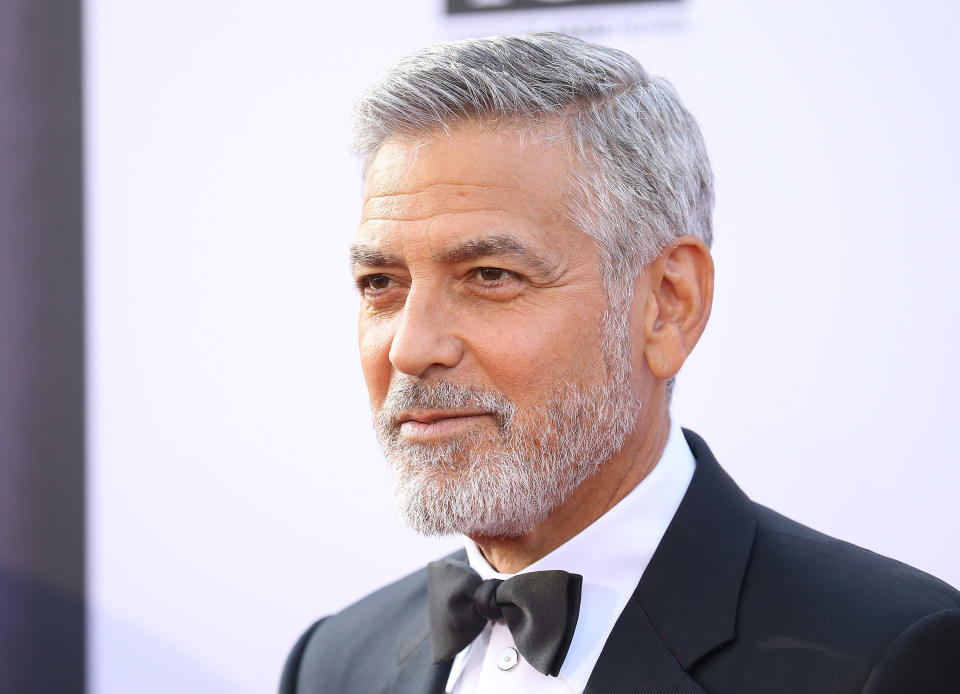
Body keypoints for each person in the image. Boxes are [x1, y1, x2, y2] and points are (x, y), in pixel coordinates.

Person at [280, 33, 960, 693]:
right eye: (380, 284)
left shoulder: (887, 656)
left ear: (667, 305)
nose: (409, 347)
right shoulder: (333, 664)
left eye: (489, 275)